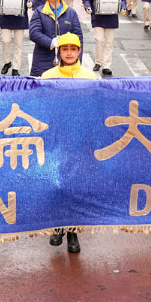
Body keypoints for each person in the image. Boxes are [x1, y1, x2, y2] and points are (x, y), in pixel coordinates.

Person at [41, 31, 95, 254]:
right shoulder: (47, 76)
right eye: (65, 49)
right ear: (59, 51)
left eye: (73, 49)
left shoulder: (91, 78)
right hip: (56, 140)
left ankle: (72, 231)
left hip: (80, 140)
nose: (70, 53)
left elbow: (96, 109)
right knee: (57, 184)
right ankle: (57, 226)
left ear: (79, 51)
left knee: (75, 186)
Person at [29, 0, 83, 77]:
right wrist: (50, 42)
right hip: (42, 61)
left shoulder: (71, 13)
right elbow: (34, 33)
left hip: (66, 62)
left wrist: (78, 60)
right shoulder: (39, 12)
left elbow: (78, 38)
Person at [82, 0, 126, 76]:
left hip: (111, 16)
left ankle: (106, 65)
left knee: (109, 42)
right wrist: (87, 7)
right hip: (98, 16)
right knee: (99, 39)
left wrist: (123, 7)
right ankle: (98, 61)